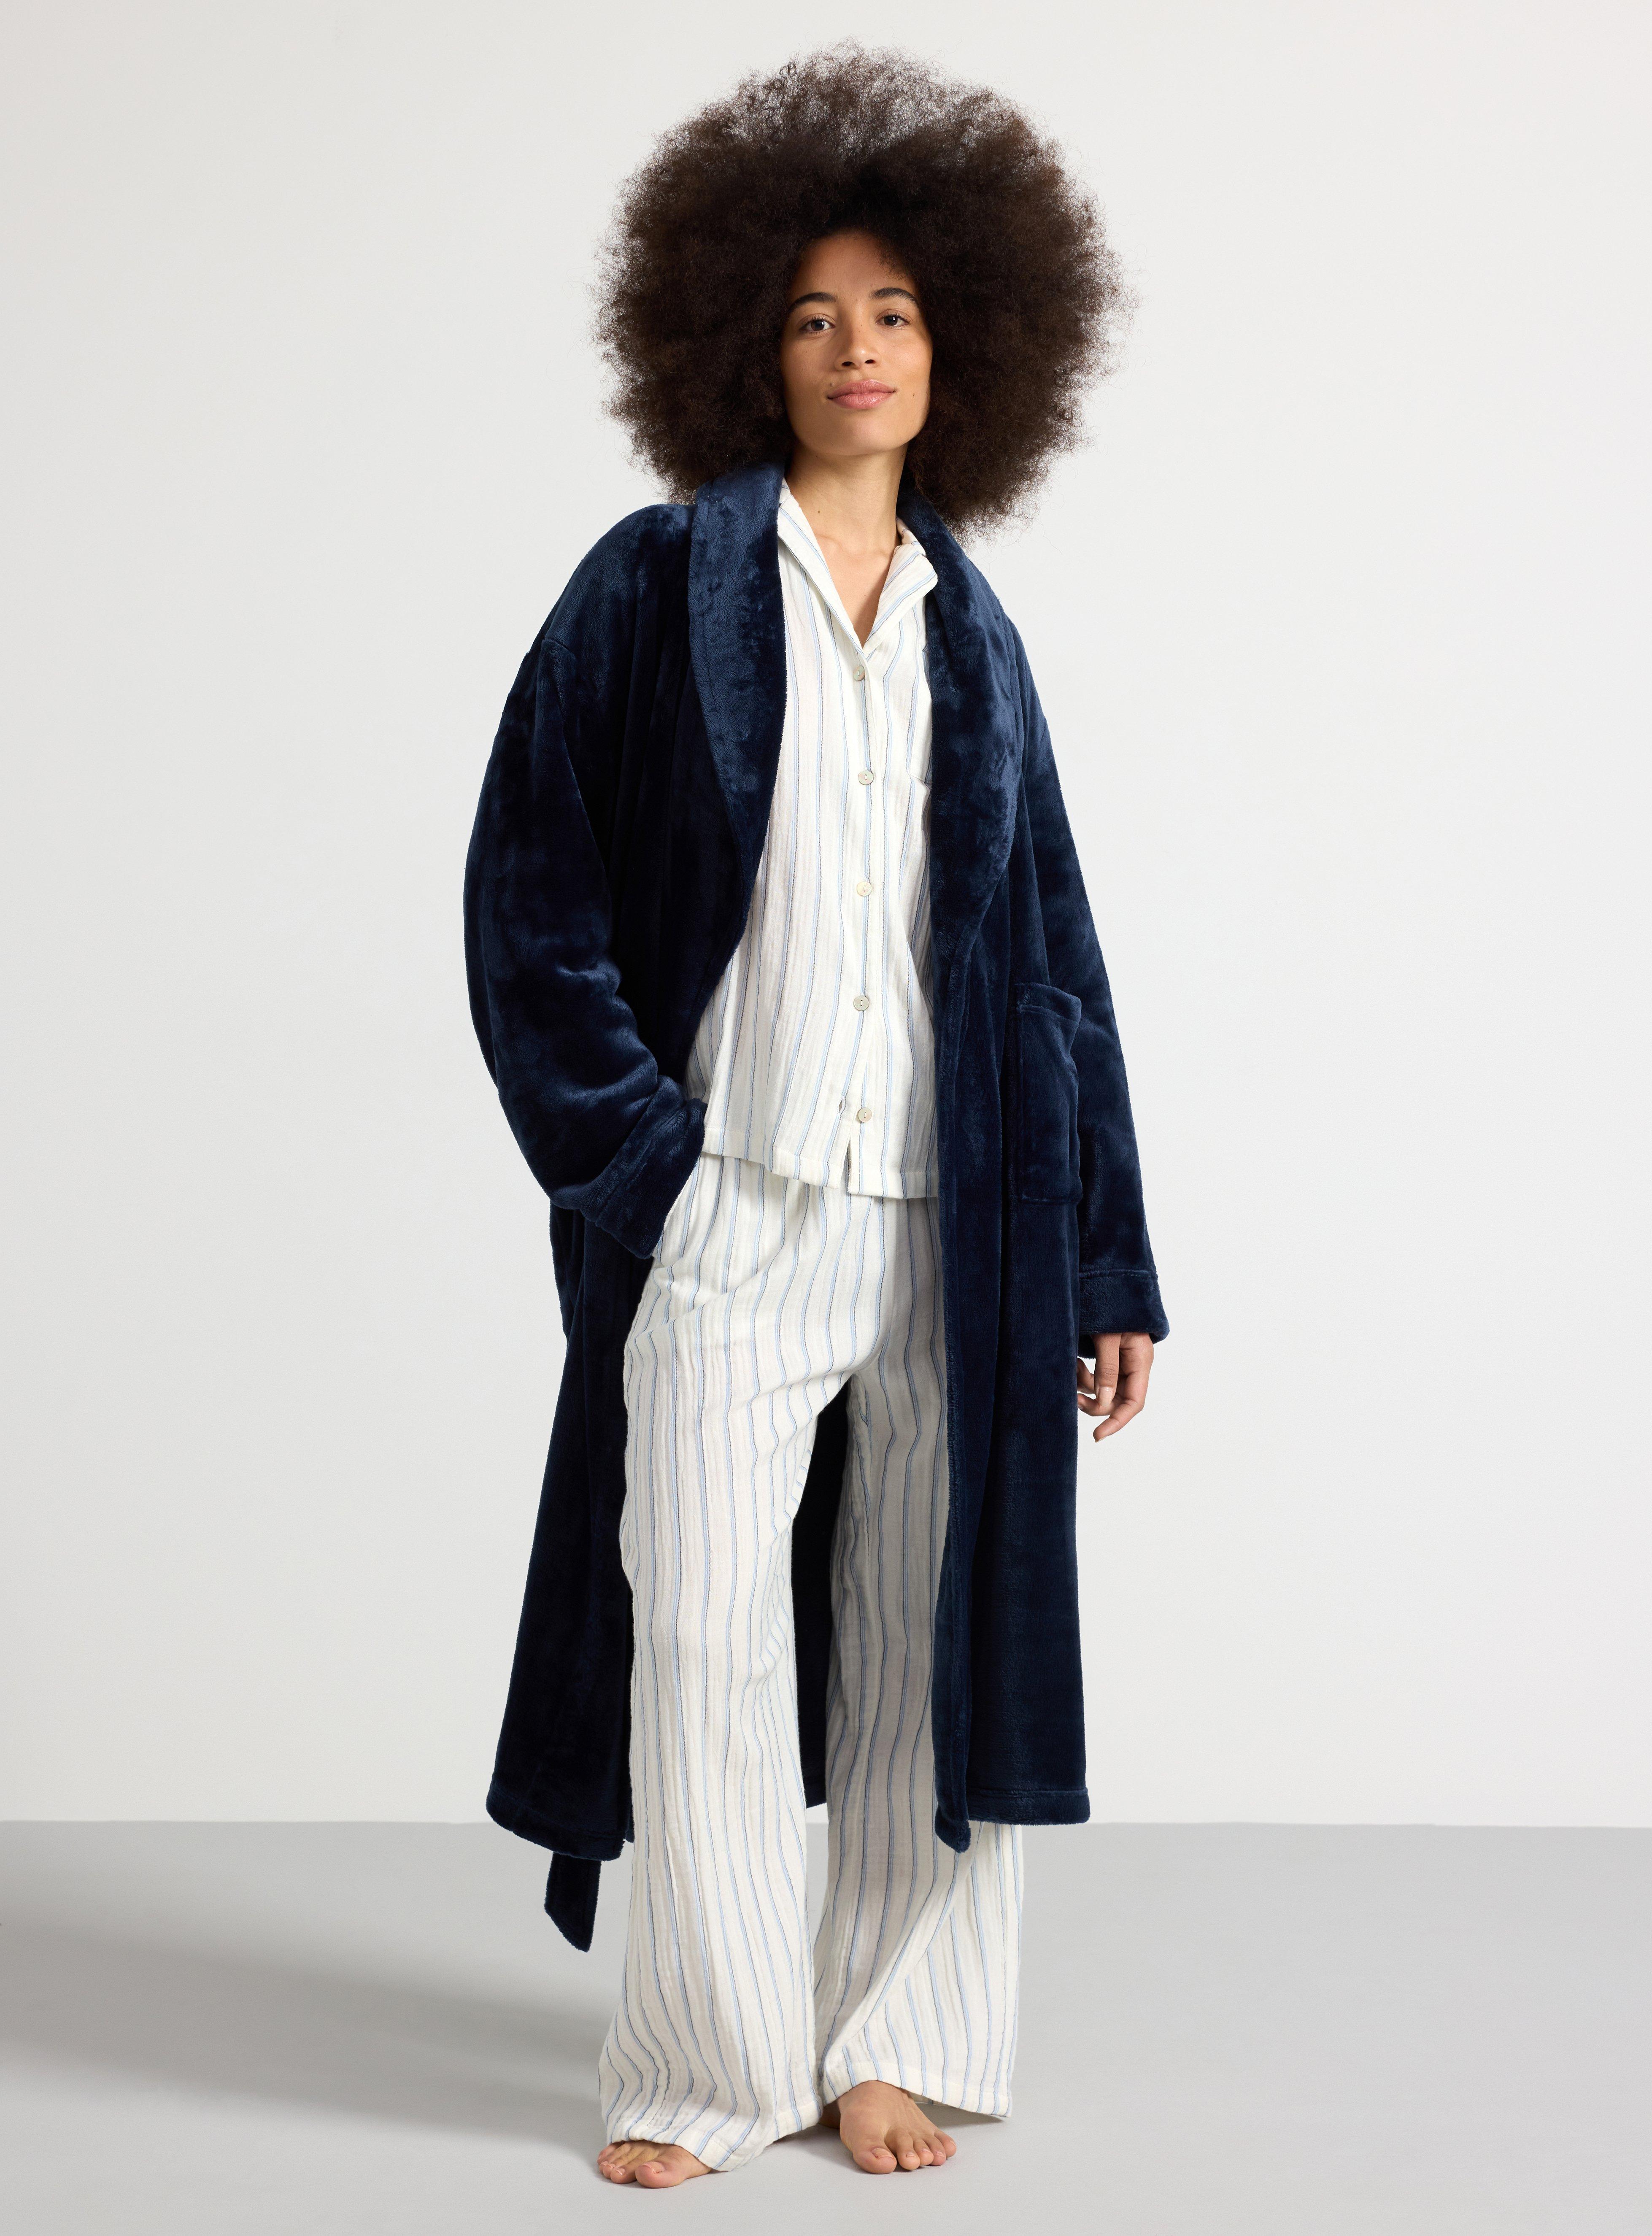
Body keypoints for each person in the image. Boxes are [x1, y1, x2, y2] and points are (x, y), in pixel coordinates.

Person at [462, 43, 1170, 2190]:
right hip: (730, 1212)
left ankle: (891, 2040)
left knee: (913, 1658)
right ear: (740, 346)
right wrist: (647, 1172)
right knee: (699, 1641)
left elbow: (1052, 957)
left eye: (895, 311)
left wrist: (1107, 1250)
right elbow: (528, 897)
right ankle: (704, 2056)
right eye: (810, 315)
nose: (857, 347)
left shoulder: (979, 636)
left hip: (956, 1226)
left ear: (963, 346)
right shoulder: (651, 587)